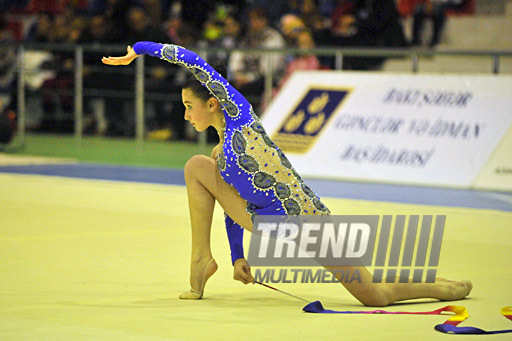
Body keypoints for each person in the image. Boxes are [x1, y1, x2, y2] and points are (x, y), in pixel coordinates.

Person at [102, 42, 472, 306]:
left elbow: (195, 62)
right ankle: (202, 261)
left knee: (372, 294)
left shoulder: (241, 118)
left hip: (305, 219)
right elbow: (234, 207)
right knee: (198, 166)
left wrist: (140, 48)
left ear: (212, 103)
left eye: (189, 106)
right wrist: (237, 257)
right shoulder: (220, 153)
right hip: (266, 221)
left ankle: (441, 287)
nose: (185, 115)